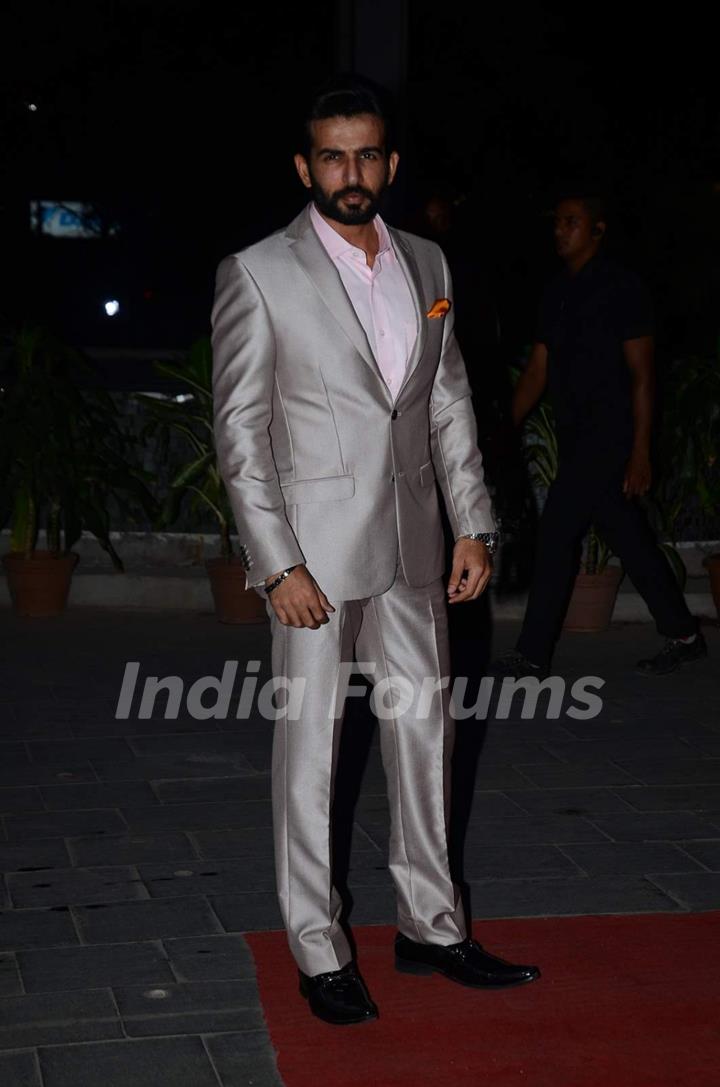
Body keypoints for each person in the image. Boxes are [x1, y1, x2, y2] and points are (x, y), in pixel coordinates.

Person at [211, 77, 539, 1025]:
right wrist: (276, 563)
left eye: (365, 155)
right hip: (312, 559)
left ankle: (433, 928)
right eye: (330, 155)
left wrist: (474, 521)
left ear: (390, 164)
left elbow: (446, 403)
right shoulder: (258, 271)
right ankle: (317, 947)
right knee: (311, 755)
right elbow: (240, 433)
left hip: (419, 547)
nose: (348, 173)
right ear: (305, 165)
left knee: (426, 738)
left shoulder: (429, 263)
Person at [492, 194, 706, 679]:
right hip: (576, 437)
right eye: (558, 222)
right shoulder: (556, 292)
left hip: (610, 439)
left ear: (598, 230)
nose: (560, 230)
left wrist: (640, 452)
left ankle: (532, 653)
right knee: (628, 538)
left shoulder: (623, 288)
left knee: (556, 537)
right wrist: (499, 432)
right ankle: (684, 634)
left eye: (572, 222)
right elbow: (536, 371)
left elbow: (643, 376)